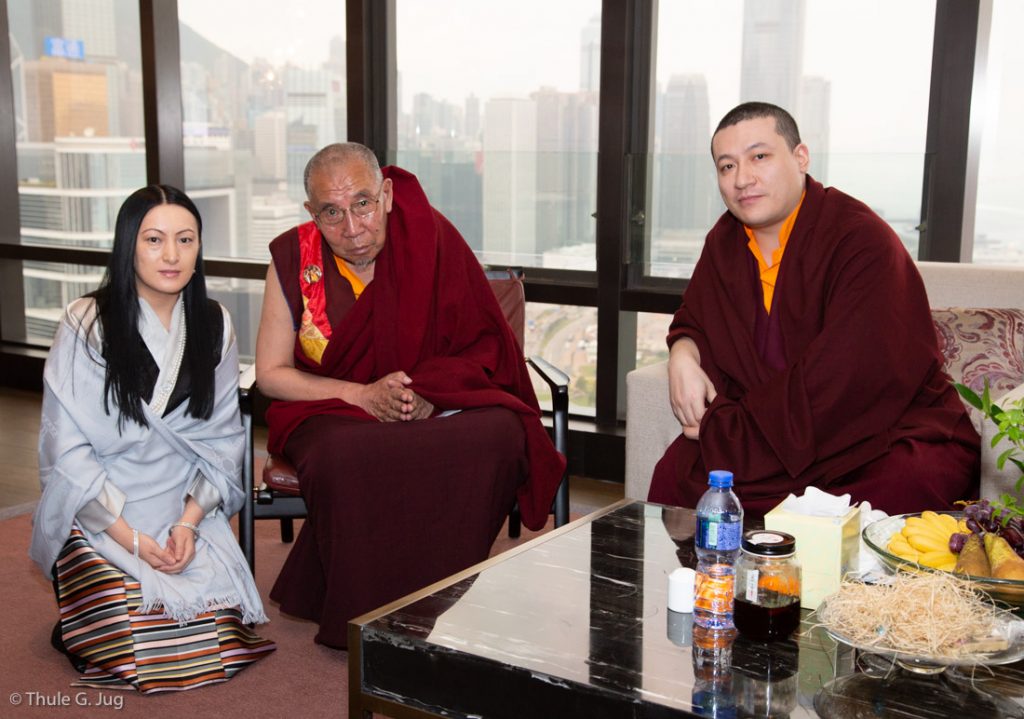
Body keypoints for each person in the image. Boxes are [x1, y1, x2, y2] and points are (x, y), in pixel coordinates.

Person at [255, 142, 565, 648]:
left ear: (388, 195)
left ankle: (435, 599)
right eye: (331, 213)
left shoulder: (430, 236)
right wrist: (360, 395)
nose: (352, 228)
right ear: (311, 213)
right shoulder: (294, 257)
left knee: (502, 433)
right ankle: (364, 617)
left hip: (428, 405)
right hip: (335, 408)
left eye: (363, 204)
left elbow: (484, 344)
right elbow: (270, 372)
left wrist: (430, 393)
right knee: (341, 455)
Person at [649, 102, 979, 519]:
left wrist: (728, 432)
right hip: (765, 434)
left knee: (901, 485)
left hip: (871, 436)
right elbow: (696, 317)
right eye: (726, 166)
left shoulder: (859, 239)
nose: (742, 179)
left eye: (759, 157)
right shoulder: (724, 241)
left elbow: (849, 378)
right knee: (676, 475)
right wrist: (682, 353)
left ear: (800, 158)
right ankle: (700, 584)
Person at [30, 185, 275, 693]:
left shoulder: (215, 324)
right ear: (129, 246)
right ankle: (90, 606)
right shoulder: (87, 321)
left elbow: (224, 437)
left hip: (179, 502)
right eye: (154, 239)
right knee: (133, 640)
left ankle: (99, 608)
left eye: (185, 240)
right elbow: (66, 450)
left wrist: (188, 522)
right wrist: (131, 539)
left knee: (219, 644)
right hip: (103, 504)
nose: (171, 255)